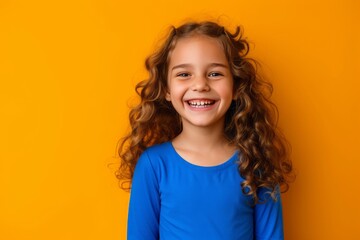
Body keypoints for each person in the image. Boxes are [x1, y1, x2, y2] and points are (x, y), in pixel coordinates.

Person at [116, 20, 293, 240]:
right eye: (184, 74)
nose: (200, 85)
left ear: (236, 86)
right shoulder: (154, 165)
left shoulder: (256, 162)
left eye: (215, 74)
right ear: (167, 90)